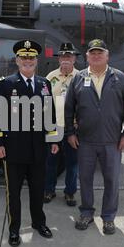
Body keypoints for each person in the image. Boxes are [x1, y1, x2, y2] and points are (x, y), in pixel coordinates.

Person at [0, 40, 60, 247]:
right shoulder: (6, 84)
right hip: (14, 150)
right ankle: (14, 229)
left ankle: (39, 223)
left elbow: (50, 113)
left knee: (38, 190)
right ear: (17, 61)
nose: (28, 61)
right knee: (14, 194)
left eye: (31, 58)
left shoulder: (44, 84)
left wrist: (54, 138)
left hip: (38, 149)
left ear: (36, 61)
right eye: (24, 58)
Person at [65, 39, 124, 235]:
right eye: (92, 53)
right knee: (85, 179)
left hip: (112, 141)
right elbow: (69, 109)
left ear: (107, 56)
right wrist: (70, 133)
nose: (96, 56)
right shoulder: (78, 78)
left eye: (100, 52)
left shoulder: (120, 78)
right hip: (85, 141)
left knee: (112, 180)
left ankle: (108, 217)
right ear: (87, 56)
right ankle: (86, 212)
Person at [44, 43, 80, 206]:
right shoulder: (50, 77)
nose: (65, 60)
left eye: (69, 57)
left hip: (73, 128)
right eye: (63, 57)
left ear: (74, 59)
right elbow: (44, 101)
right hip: (53, 127)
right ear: (59, 59)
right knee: (51, 161)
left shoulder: (81, 77)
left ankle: (70, 193)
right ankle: (49, 190)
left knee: (72, 163)